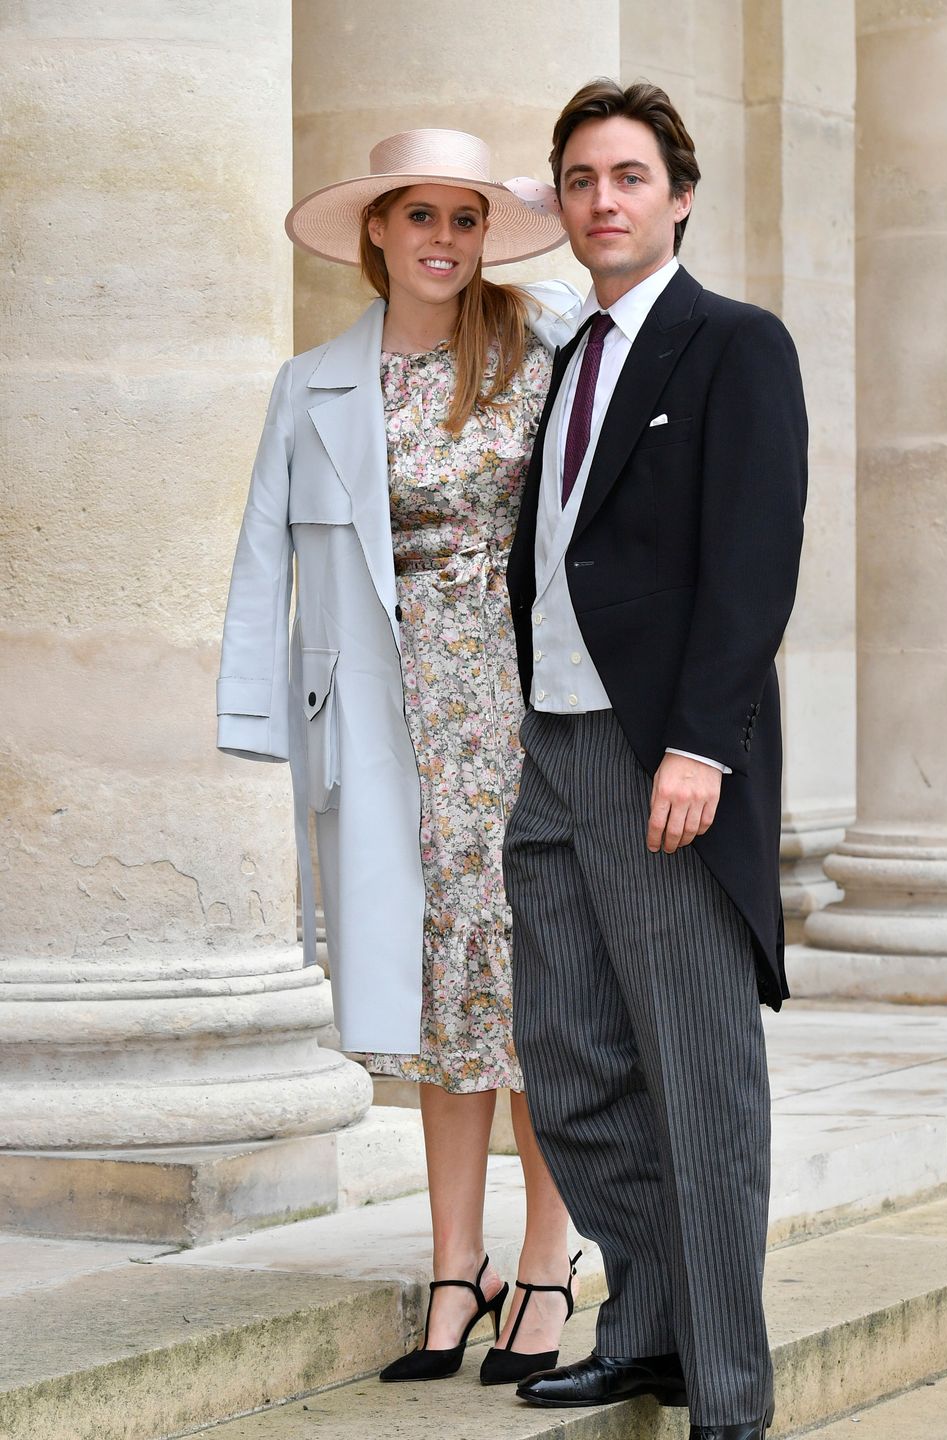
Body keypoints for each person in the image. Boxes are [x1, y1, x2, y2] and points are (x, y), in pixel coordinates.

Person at [216, 128, 583, 1386]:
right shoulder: (314, 380)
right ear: (375, 230)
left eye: (466, 218)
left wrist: (541, 218)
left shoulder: (540, 352)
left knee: (535, 973)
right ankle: (451, 1266)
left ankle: (547, 1255)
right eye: (417, 214)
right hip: (384, 706)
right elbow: (265, 552)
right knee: (441, 990)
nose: (441, 239)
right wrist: (255, 716)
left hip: (524, 701)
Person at [503, 82, 808, 1440]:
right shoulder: (566, 352)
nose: (603, 199)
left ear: (679, 195)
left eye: (629, 176)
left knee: (698, 1077)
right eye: (580, 179)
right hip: (552, 751)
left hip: (659, 761)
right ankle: (646, 1329)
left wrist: (702, 746)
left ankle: (727, 1392)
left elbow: (752, 566)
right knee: (568, 1059)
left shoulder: (735, 345)